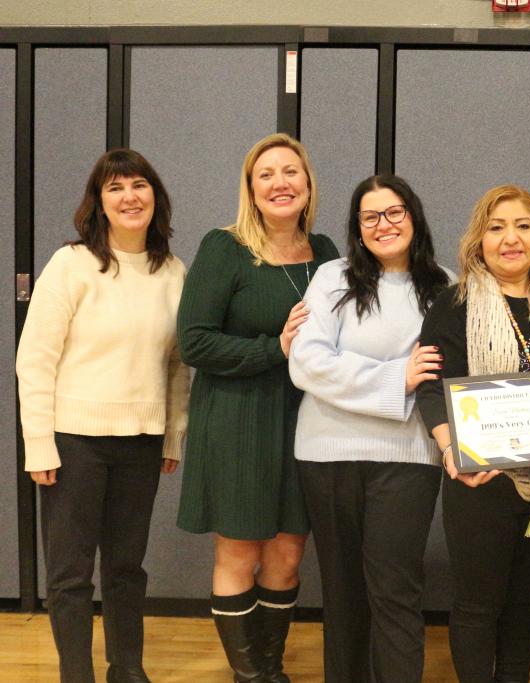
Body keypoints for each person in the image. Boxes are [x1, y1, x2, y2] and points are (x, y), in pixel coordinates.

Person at [416, 185, 530, 683]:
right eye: (496, 227)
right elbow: (431, 387)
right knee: (479, 604)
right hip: (481, 477)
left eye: (522, 226)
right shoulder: (454, 302)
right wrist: (448, 446)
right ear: (479, 239)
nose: (510, 238)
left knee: (525, 605)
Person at [16, 149, 188, 683]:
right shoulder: (71, 264)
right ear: (99, 202)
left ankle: (127, 668)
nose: (129, 196)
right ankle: (76, 673)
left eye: (139, 185)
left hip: (141, 440)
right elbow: (35, 360)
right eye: (115, 188)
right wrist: (38, 443)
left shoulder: (173, 270)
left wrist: (172, 437)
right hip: (74, 442)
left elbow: (179, 365)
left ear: (154, 196)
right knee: (70, 574)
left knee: (125, 569)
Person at [176, 133, 339, 682]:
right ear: (250, 188)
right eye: (266, 174)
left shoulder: (328, 254)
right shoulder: (224, 247)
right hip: (238, 418)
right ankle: (252, 675)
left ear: (308, 184)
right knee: (241, 554)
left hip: (307, 421)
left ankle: (270, 668)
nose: (280, 183)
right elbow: (194, 342)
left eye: (291, 172)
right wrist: (276, 348)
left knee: (288, 556)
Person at [288, 174, 451, 683]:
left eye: (394, 212)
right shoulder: (333, 277)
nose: (384, 225)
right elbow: (307, 363)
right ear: (357, 228)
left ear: (414, 216)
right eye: (370, 216)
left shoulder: (445, 286)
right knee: (342, 594)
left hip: (409, 457)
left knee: (396, 592)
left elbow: (449, 374)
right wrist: (394, 377)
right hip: (327, 453)